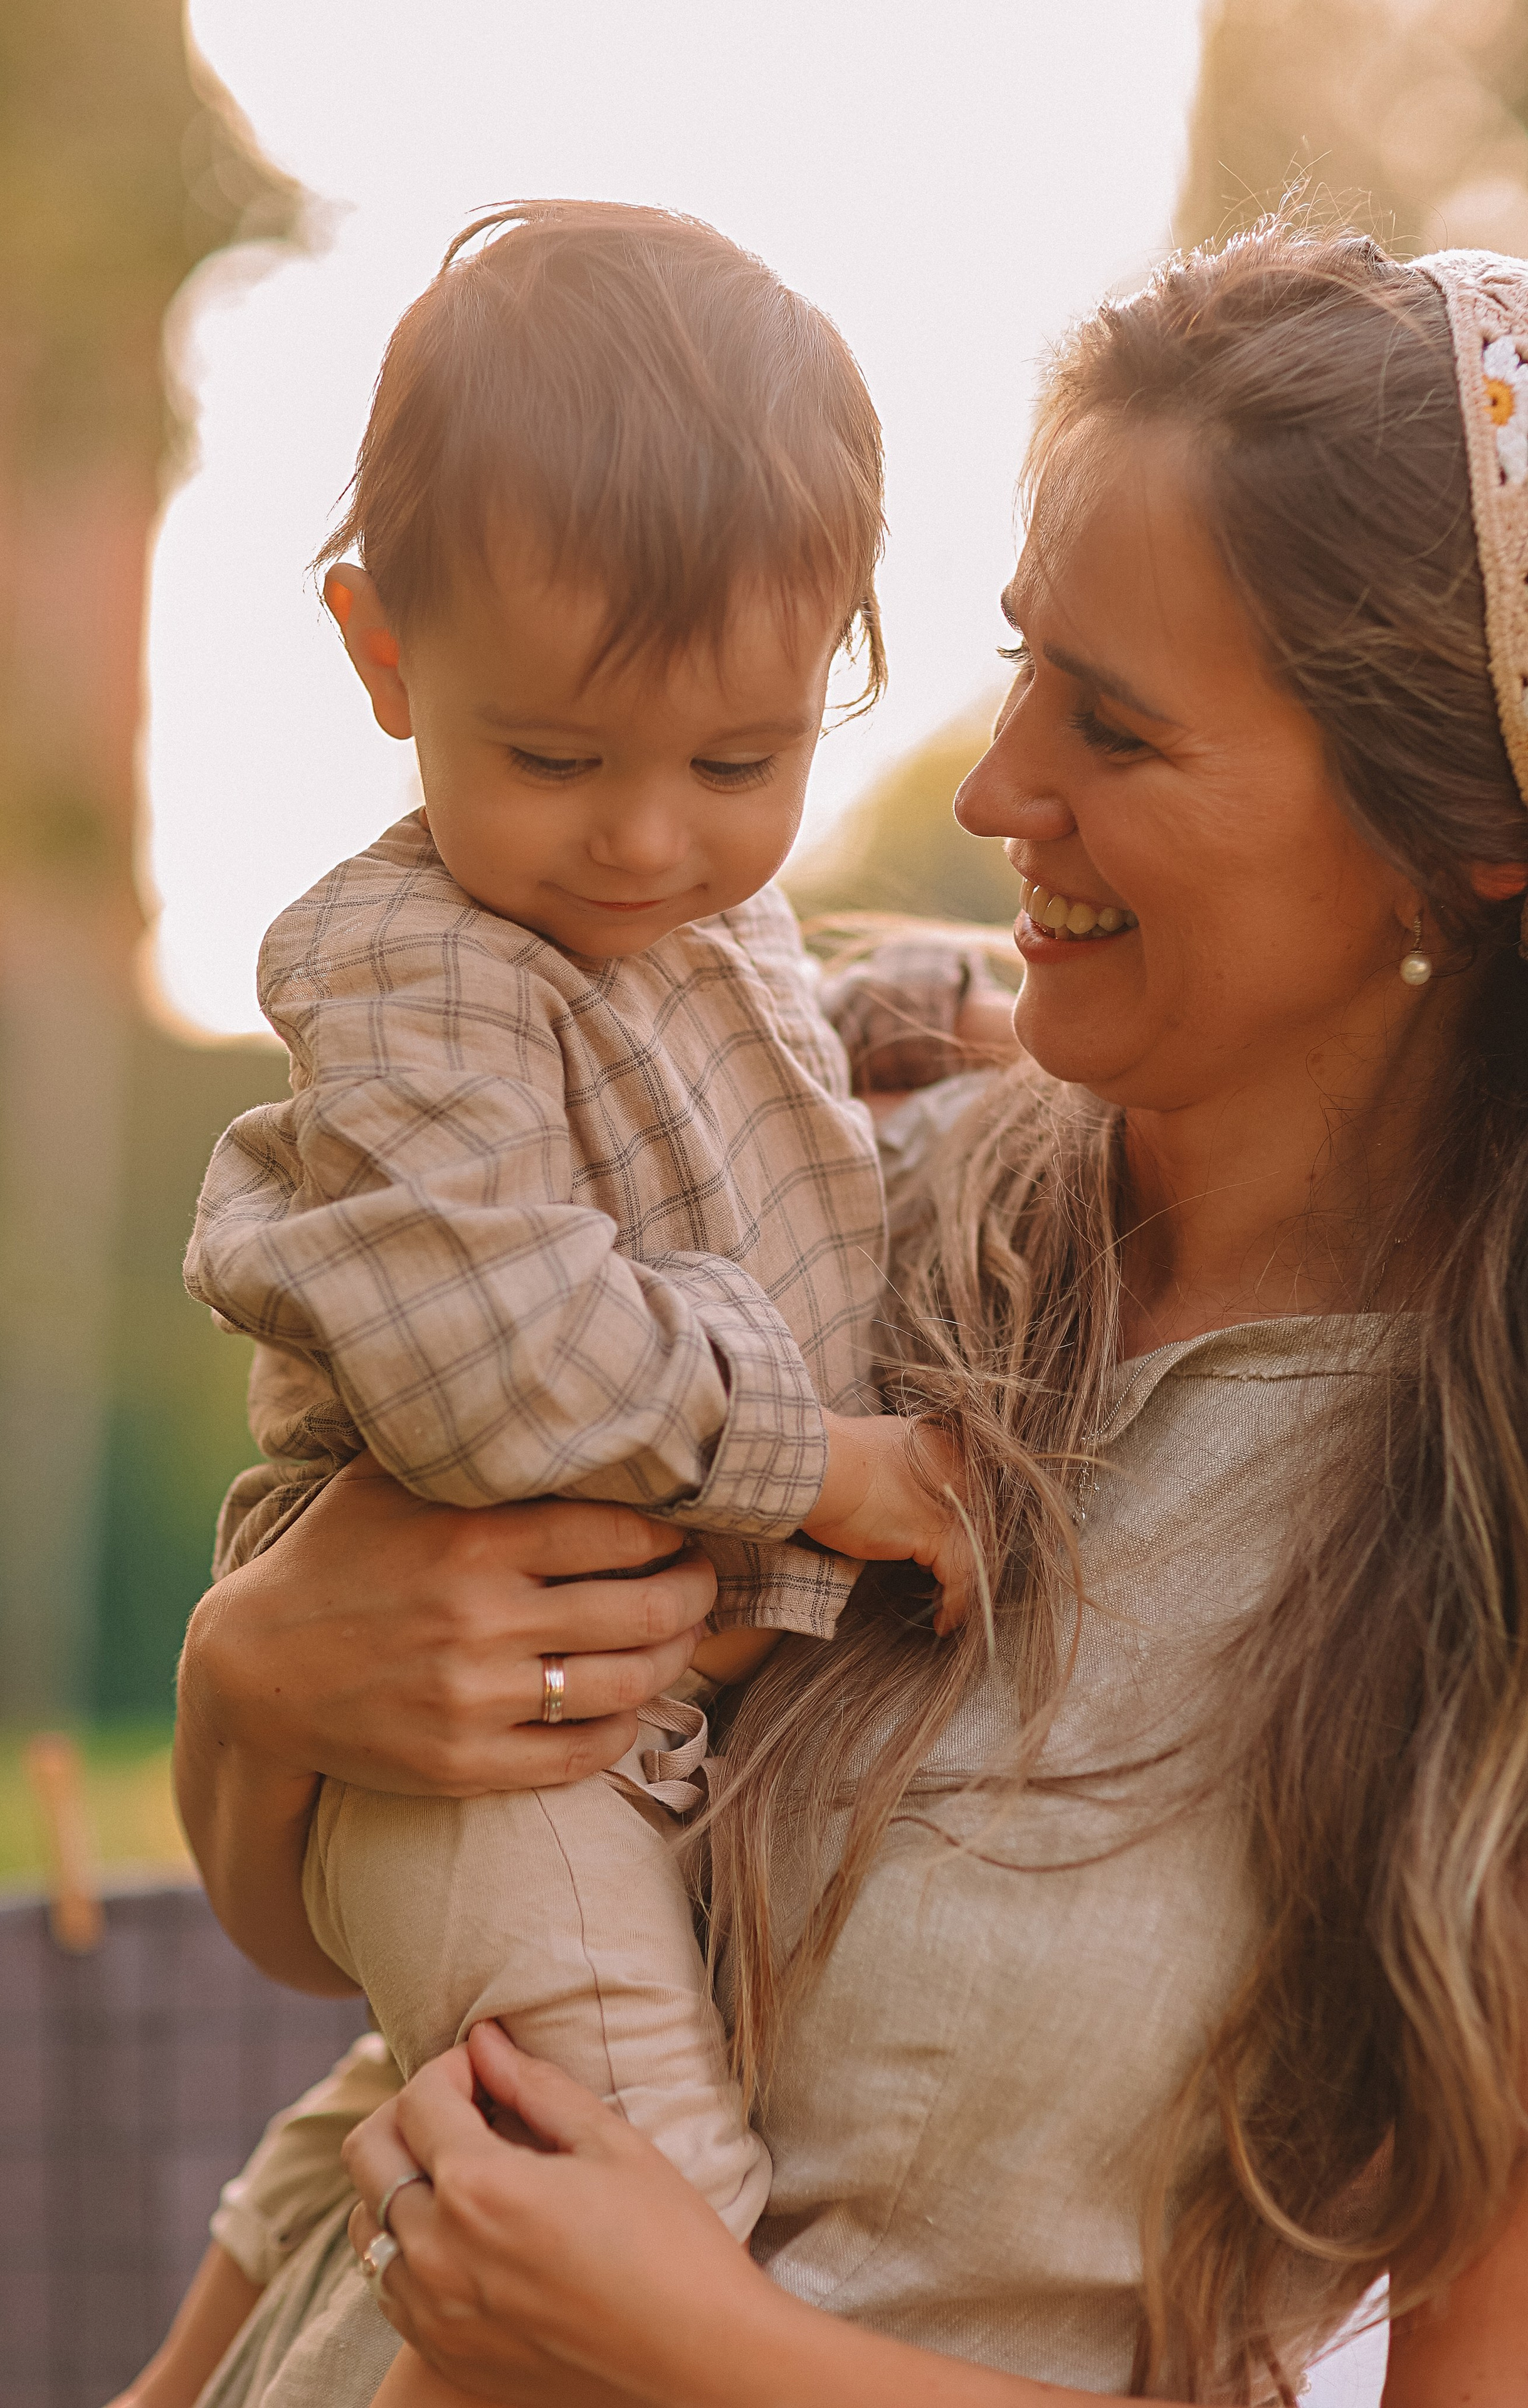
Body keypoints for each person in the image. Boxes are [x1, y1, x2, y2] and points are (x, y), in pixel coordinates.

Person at [167, 219, 1528, 2403]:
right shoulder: (885, 1228)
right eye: (1014, 671)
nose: (992, 797)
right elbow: (369, 1958)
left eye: (1116, 727)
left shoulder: (1470, 1545)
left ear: (1453, 835)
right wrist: (251, 1684)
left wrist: (708, 2351)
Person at [144, 202, 999, 2408]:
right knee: (631, 2189)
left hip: (618, 1720)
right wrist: (824, 1467)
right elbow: (488, 1353)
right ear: (381, 654)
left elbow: (753, 1056)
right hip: (489, 1748)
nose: (644, 843)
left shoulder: (676, 912)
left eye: (740, 765)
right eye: (555, 761)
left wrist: (912, 1009)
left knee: (444, 2099)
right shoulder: (406, 966)